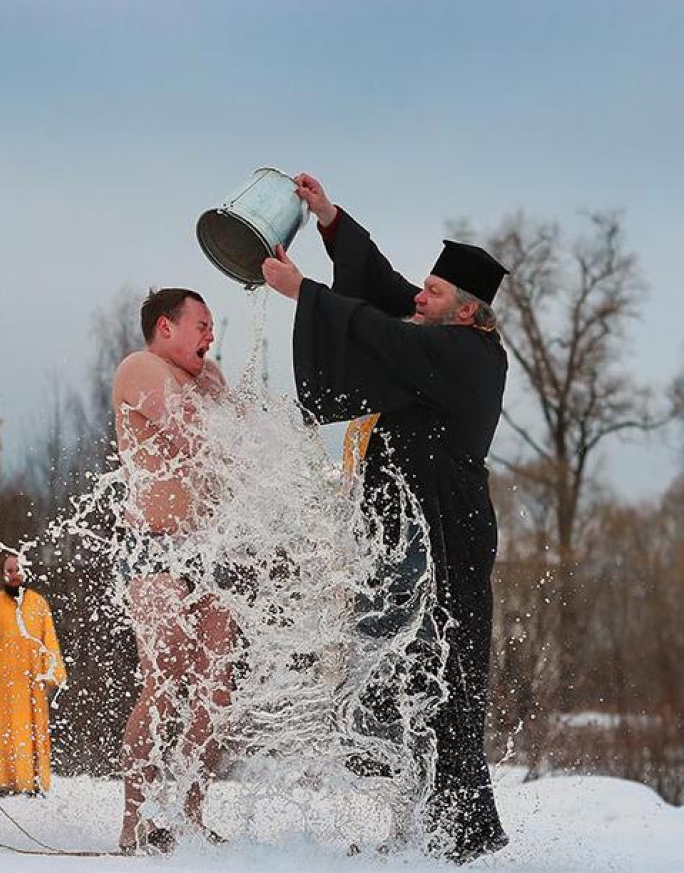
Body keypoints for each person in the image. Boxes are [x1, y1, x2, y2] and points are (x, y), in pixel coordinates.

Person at [261, 174, 510, 863]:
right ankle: (421, 820)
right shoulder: (444, 324)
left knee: (448, 676)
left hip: (450, 531)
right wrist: (332, 219)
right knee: (400, 667)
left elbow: (380, 332)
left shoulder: (468, 355)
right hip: (410, 529)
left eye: (433, 293)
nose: (418, 297)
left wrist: (303, 294)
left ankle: (464, 832)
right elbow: (386, 289)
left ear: (463, 312)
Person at [110, 287, 233, 854]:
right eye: (202, 325)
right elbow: (199, 438)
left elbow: (250, 445)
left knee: (217, 689)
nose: (211, 337)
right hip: (154, 546)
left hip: (208, 549)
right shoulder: (141, 368)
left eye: (212, 328)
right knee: (166, 672)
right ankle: (133, 821)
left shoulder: (210, 379)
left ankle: (190, 812)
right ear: (166, 326)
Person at [0, 554, 67, 795]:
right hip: (1, 682)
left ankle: (30, 781)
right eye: (9, 570)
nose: (14, 575)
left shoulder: (38, 603)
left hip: (31, 681)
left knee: (30, 731)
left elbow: (49, 640)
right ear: (3, 573)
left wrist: (53, 672)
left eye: (17, 570)